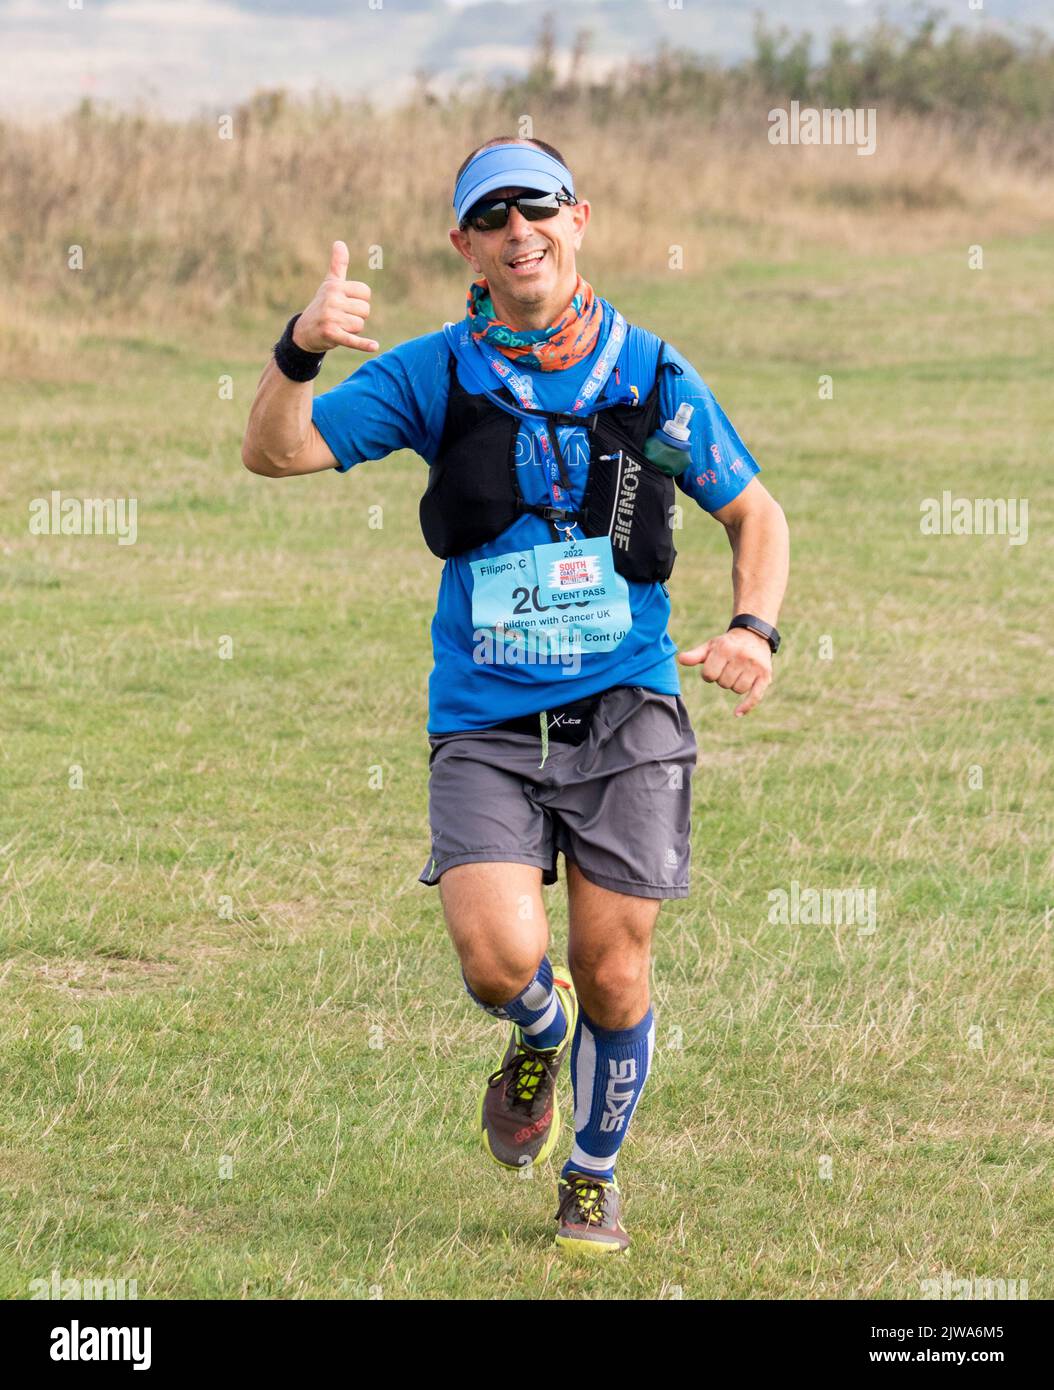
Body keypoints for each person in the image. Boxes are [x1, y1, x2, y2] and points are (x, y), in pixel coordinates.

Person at [242, 136, 790, 1255]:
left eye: (535, 209)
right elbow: (278, 452)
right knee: (499, 959)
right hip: (486, 715)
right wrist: (297, 350)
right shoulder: (432, 372)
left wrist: (752, 627)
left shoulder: (649, 372)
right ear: (465, 246)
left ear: (578, 218)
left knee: (613, 964)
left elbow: (756, 515)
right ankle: (535, 1032)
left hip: (627, 705)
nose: (517, 232)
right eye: (491, 218)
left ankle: (590, 1174)